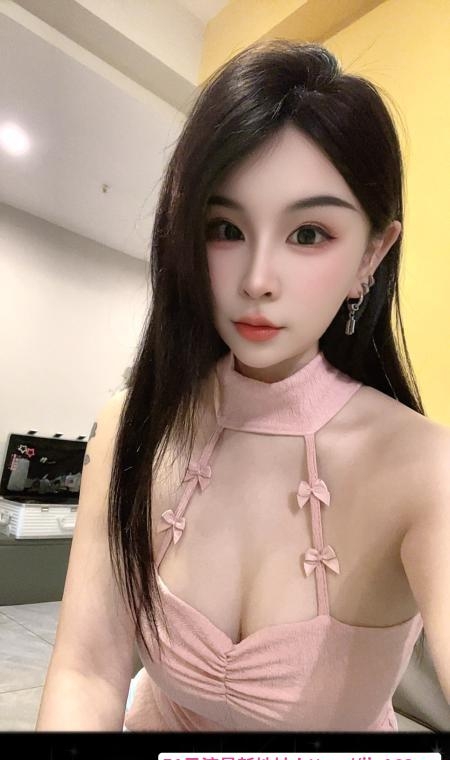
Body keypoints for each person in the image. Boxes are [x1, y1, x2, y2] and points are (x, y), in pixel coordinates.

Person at [35, 39, 450, 732]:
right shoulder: (131, 427)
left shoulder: (424, 467)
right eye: (226, 228)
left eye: (308, 234)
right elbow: (88, 673)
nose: (257, 279)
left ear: (372, 255)